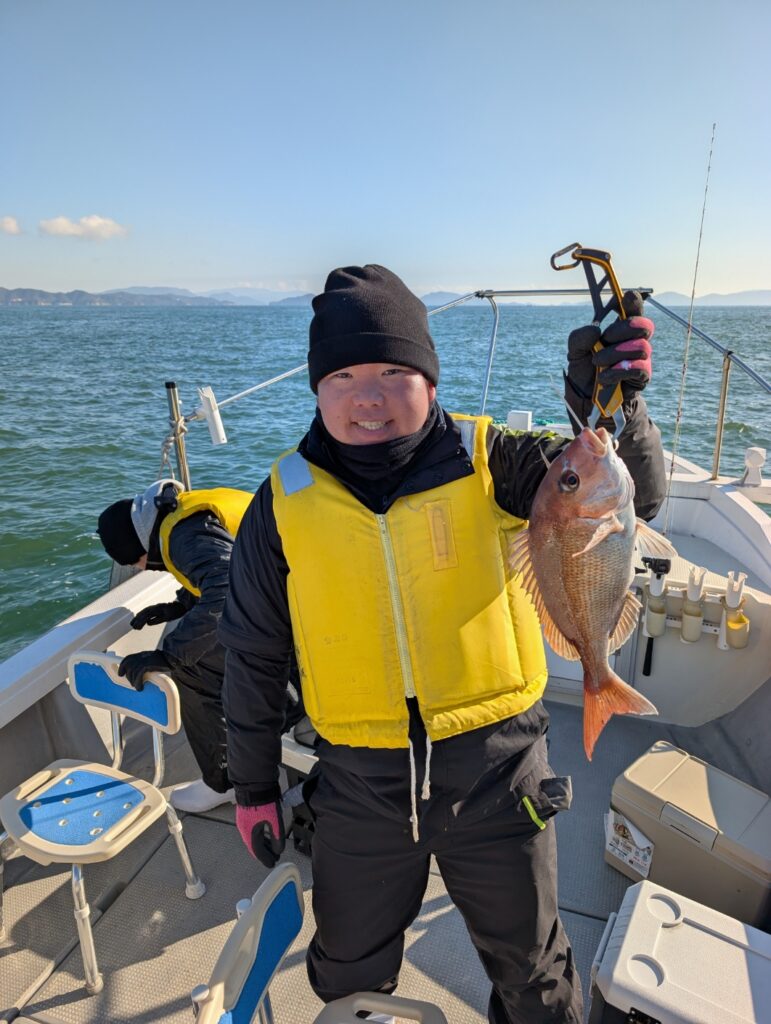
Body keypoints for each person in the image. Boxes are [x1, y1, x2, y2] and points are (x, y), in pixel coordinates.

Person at [219, 264, 665, 1023]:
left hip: (500, 769)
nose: (368, 396)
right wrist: (254, 786)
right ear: (317, 388)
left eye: (393, 372)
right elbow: (253, 651)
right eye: (343, 376)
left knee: (536, 977)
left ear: (430, 378)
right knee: (346, 972)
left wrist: (619, 409)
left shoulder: (491, 459)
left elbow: (628, 497)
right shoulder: (280, 502)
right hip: (357, 784)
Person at [96, 480, 303, 812]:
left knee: (192, 669)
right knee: (208, 647)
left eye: (136, 563)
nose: (140, 568)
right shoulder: (183, 511)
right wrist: (179, 606)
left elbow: (227, 588)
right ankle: (286, 718)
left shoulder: (185, 537)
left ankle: (225, 782)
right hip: (306, 597)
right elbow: (230, 564)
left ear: (139, 550)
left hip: (299, 616)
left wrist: (169, 655)